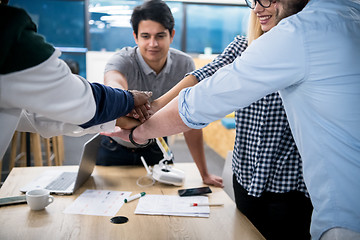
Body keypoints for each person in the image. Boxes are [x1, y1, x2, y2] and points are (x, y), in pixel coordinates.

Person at [103, 0, 360, 239]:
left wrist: (139, 132)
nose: (258, 7)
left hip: (290, 186)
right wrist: (153, 107)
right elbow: (202, 80)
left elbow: (200, 103)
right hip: (247, 178)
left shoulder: (299, 34)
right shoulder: (338, 22)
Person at [0, 1, 152, 161]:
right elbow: (77, 99)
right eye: (146, 36)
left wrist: (116, 118)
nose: (152, 43)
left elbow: (32, 117)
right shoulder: (10, 31)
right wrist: (128, 99)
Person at [96, 0, 223, 187]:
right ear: (135, 37)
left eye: (160, 36)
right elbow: (114, 85)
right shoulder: (122, 60)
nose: (153, 44)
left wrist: (204, 173)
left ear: (171, 35)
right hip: (115, 147)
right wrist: (124, 98)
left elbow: (191, 121)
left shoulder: (184, 65)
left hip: (156, 146)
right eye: (145, 36)